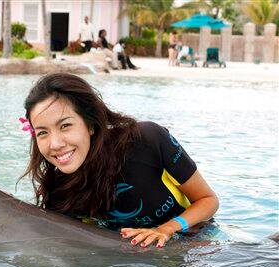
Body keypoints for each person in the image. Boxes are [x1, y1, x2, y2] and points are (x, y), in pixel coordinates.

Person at [20, 73, 219, 248]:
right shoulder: (59, 188)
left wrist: (166, 229)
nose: (55, 144)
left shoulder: (146, 141)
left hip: (191, 242)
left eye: (65, 126)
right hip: (125, 258)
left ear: (90, 124)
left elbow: (208, 201)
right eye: (43, 132)